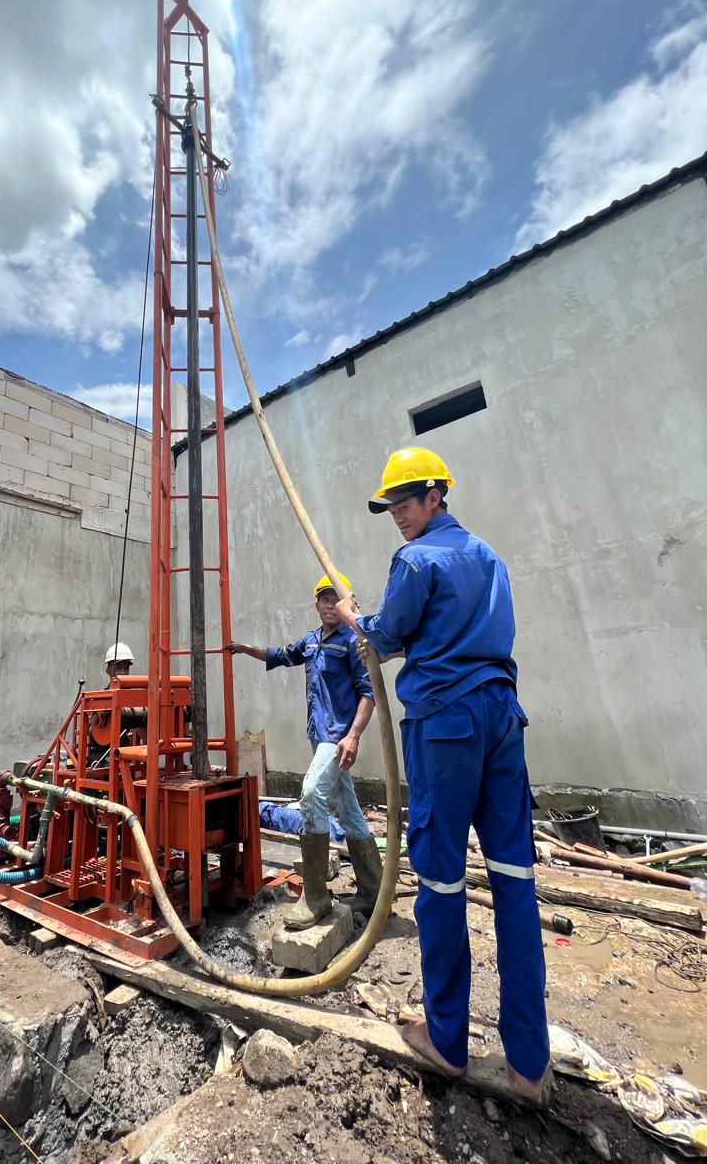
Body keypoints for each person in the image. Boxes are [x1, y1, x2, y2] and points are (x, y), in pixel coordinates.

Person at [334, 446, 550, 1103]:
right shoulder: (491, 559)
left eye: (404, 502)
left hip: (447, 726)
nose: (396, 516)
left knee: (441, 880)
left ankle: (448, 1041)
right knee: (515, 881)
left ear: (436, 497)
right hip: (503, 721)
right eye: (390, 507)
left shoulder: (417, 559)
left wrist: (351, 619)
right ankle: (530, 1066)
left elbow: (388, 637)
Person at [227, 574, 382, 930]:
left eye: (335, 599)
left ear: (345, 604)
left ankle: (315, 897)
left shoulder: (353, 642)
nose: (329, 604)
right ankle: (373, 891)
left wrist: (354, 736)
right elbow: (280, 655)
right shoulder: (312, 642)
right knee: (349, 811)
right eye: (324, 599)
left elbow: (369, 692)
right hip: (319, 735)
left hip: (337, 737)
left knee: (311, 796)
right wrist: (243, 648)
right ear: (317, 605)